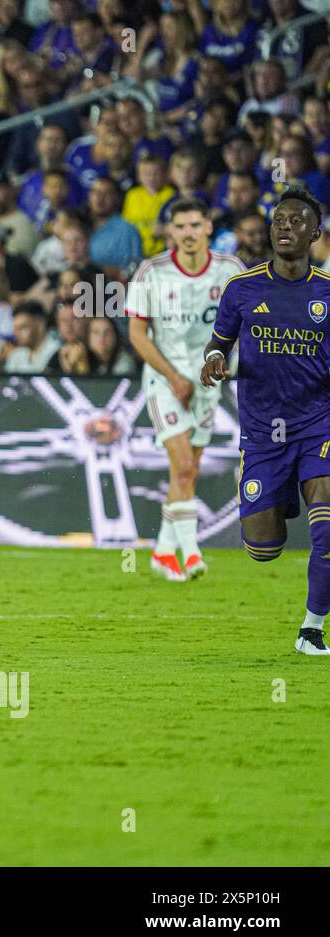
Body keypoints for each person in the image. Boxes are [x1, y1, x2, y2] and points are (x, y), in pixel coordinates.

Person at [201, 187, 330, 656]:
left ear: (315, 234)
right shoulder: (242, 288)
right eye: (279, 220)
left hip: (319, 427)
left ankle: (311, 629)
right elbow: (218, 343)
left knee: (328, 529)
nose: (284, 227)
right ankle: (281, 498)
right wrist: (214, 359)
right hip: (262, 435)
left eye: (296, 221)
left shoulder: (326, 295)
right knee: (262, 549)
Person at [128, 197, 247, 582]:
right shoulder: (152, 271)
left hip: (208, 383)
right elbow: (137, 334)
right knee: (181, 465)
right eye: (180, 227)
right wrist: (174, 377)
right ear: (170, 232)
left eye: (196, 225)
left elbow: (246, 324)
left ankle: (163, 552)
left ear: (209, 227)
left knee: (188, 471)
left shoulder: (231, 271)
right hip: (165, 380)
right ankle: (192, 554)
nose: (189, 234)